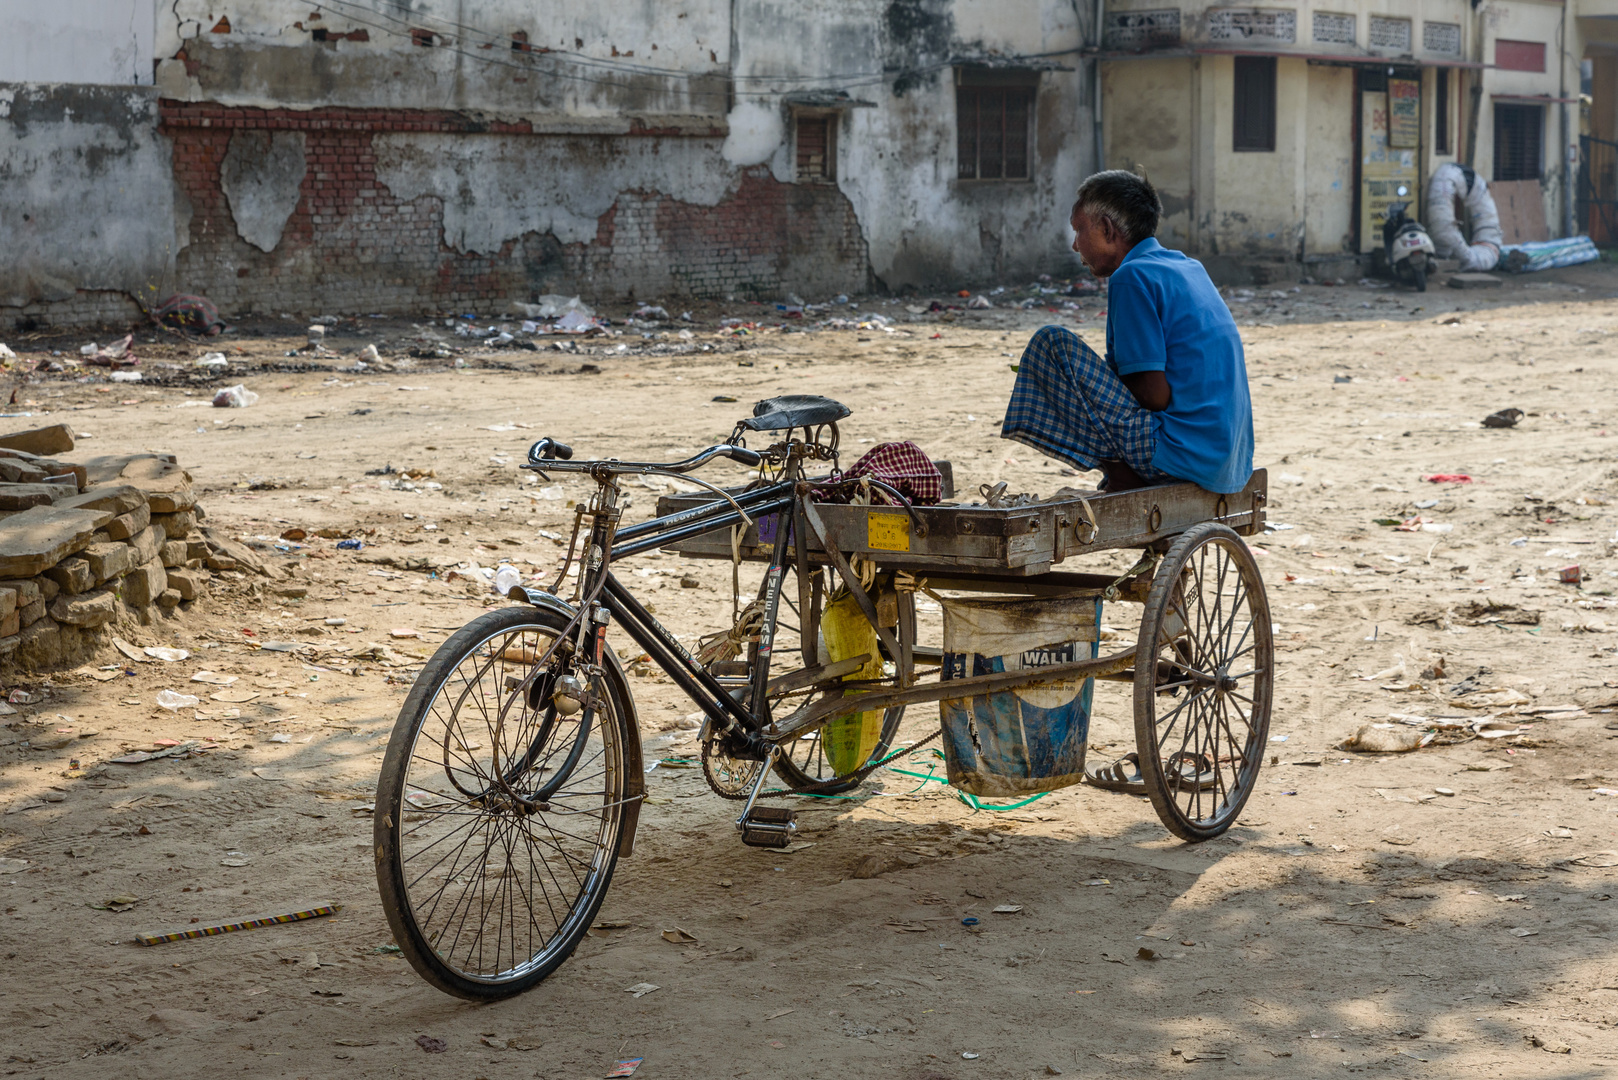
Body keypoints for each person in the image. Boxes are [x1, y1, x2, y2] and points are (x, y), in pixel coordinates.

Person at [1001, 170, 1253, 495]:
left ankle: (1121, 472)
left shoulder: (1131, 276)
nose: (1075, 244)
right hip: (1228, 460)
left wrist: (1092, 387)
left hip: (1180, 455)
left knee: (1051, 345)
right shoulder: (1188, 266)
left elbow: (1154, 396)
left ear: (1106, 229)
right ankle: (1123, 468)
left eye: (1079, 230)